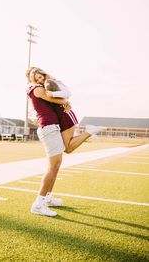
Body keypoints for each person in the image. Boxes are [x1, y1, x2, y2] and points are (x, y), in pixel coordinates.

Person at [26, 67, 103, 218]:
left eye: (41, 77)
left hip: (52, 127)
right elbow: (58, 99)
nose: (40, 80)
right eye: (37, 78)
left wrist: (65, 103)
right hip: (48, 128)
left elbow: (59, 101)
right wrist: (66, 101)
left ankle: (47, 197)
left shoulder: (41, 88)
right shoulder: (35, 89)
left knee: (56, 165)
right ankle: (38, 203)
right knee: (53, 166)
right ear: (31, 80)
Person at [28, 67, 103, 154]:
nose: (40, 80)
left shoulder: (52, 82)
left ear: (44, 74)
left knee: (68, 149)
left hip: (65, 114)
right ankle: (89, 132)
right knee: (66, 148)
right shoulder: (41, 88)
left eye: (41, 77)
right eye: (37, 80)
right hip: (58, 117)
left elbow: (67, 93)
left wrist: (55, 95)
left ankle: (89, 132)